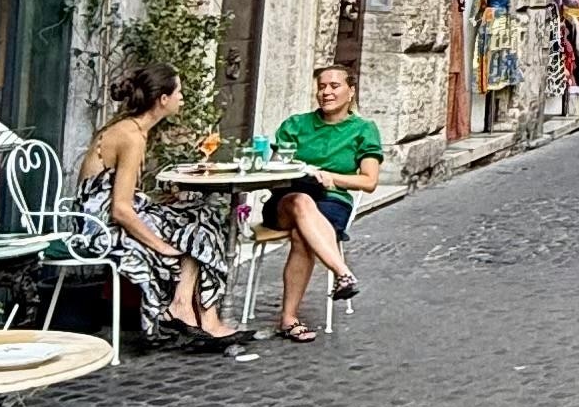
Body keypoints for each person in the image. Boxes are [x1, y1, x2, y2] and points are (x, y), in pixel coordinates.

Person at [71, 65, 250, 350]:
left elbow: (123, 195)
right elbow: (119, 209)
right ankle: (197, 315)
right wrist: (161, 245)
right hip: (99, 227)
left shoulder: (136, 130)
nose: (182, 98)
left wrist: (156, 204)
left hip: (112, 214)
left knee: (201, 213)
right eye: (178, 91)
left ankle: (188, 308)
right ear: (162, 99)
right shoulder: (131, 136)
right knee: (196, 228)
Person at [268, 61, 384, 340]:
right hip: (286, 199)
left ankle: (288, 319)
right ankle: (343, 273)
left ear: (351, 91)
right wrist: (299, 173)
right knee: (300, 201)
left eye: (335, 86)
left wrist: (331, 177)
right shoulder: (295, 125)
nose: (327, 92)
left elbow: (369, 181)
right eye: (322, 87)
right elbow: (274, 170)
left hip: (332, 200)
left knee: (301, 236)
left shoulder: (363, 129)